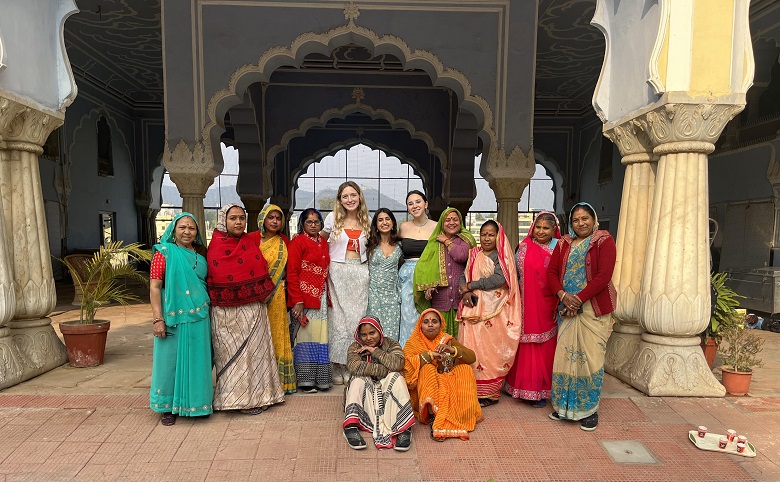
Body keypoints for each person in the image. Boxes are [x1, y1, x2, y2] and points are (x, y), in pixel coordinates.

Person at [207, 203, 284, 414]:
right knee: (232, 358)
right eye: (233, 218)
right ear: (224, 220)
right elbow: (219, 277)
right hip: (227, 315)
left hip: (254, 310)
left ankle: (260, 397)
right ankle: (234, 400)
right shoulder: (217, 246)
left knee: (256, 356)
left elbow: (261, 271)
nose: (239, 222)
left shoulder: (249, 243)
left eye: (241, 218)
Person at [547, 202, 616, 431]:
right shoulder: (564, 243)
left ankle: (588, 410)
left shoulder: (604, 241)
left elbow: (603, 275)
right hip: (566, 309)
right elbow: (552, 272)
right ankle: (563, 406)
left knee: (590, 358)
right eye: (576, 220)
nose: (580, 223)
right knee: (565, 357)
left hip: (592, 309)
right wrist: (563, 295)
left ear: (593, 219)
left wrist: (578, 299)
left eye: (585, 218)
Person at [149, 212, 212, 426]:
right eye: (182, 227)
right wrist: (158, 319)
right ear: (173, 230)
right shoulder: (164, 253)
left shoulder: (201, 256)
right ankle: (167, 407)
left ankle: (196, 403)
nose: (187, 231)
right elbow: (155, 287)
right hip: (172, 316)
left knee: (197, 360)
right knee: (169, 362)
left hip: (200, 316)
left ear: (197, 233)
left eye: (192, 228)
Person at [457, 220, 522, 406]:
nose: (486, 238)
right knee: (470, 346)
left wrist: (473, 285)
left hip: (494, 309)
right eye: (483, 234)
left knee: (489, 350)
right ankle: (470, 388)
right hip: (472, 307)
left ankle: (489, 394)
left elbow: (500, 279)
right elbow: (464, 275)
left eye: (491, 234)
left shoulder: (501, 256)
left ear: (498, 237)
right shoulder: (474, 253)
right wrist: (466, 290)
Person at [504, 212, 561, 407]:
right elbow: (515, 277)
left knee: (546, 347)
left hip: (550, 304)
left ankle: (543, 390)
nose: (541, 231)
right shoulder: (524, 248)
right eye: (538, 227)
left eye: (546, 228)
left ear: (554, 230)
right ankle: (526, 389)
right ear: (532, 228)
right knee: (527, 344)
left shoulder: (559, 249)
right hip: (526, 303)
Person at [403, 308, 482, 441]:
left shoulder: (446, 340)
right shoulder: (413, 343)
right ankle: (434, 416)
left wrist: (452, 350)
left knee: (465, 369)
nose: (430, 325)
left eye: (434, 321)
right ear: (420, 325)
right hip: (427, 385)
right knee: (427, 369)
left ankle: (461, 415)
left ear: (441, 324)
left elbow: (472, 357)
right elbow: (407, 367)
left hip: (447, 379)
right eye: (426, 322)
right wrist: (430, 356)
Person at [323, 181, 370, 385]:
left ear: (359, 197)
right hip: (337, 270)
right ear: (340, 200)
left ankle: (352, 363)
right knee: (338, 320)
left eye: (353, 195)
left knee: (355, 319)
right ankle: (337, 365)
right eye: (345, 196)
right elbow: (319, 241)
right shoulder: (332, 218)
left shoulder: (368, 219)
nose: (349, 199)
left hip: (360, 272)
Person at [343, 316, 415, 451]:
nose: (368, 338)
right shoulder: (355, 346)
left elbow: (398, 363)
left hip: (386, 393)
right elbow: (354, 366)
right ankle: (350, 427)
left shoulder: (391, 344)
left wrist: (375, 351)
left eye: (372, 333)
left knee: (397, 377)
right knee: (357, 379)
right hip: (367, 395)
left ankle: (404, 428)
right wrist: (383, 370)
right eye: (364, 335)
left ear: (380, 331)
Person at [287, 208, 332, 393]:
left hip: (320, 297)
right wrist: (297, 300)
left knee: (320, 337)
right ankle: (305, 381)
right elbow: (292, 272)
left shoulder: (323, 242)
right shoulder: (297, 242)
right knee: (305, 338)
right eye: (309, 222)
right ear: (302, 224)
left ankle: (321, 380)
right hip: (304, 300)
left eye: (317, 222)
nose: (313, 225)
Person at [414, 207, 476, 338]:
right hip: (440, 301)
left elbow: (461, 256)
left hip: (461, 301)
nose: (451, 222)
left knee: (461, 343)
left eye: (455, 219)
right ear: (442, 223)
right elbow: (425, 267)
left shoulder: (466, 239)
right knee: (440, 343)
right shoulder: (434, 243)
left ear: (461, 222)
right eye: (447, 220)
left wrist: (446, 241)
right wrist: (428, 285)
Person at [258, 204, 296, 394]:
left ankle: (281, 381)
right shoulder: (252, 241)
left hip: (278, 295)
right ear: (262, 219)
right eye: (270, 217)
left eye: (278, 218)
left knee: (278, 334)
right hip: (256, 297)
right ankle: (260, 377)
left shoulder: (284, 243)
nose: (274, 221)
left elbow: (292, 270)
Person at [398, 190, 436, 345]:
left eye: (418, 202)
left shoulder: (436, 227)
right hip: (407, 278)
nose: (414, 206)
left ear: (426, 204)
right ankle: (407, 358)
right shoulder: (403, 227)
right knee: (407, 319)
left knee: (427, 319)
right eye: (410, 203)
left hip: (428, 277)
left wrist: (432, 282)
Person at [366, 208, 403, 340]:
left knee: (391, 334)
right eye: (380, 220)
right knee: (373, 333)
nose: (384, 222)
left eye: (387, 219)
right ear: (376, 225)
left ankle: (390, 360)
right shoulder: (369, 245)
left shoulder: (400, 246)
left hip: (392, 297)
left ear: (393, 223)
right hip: (374, 296)